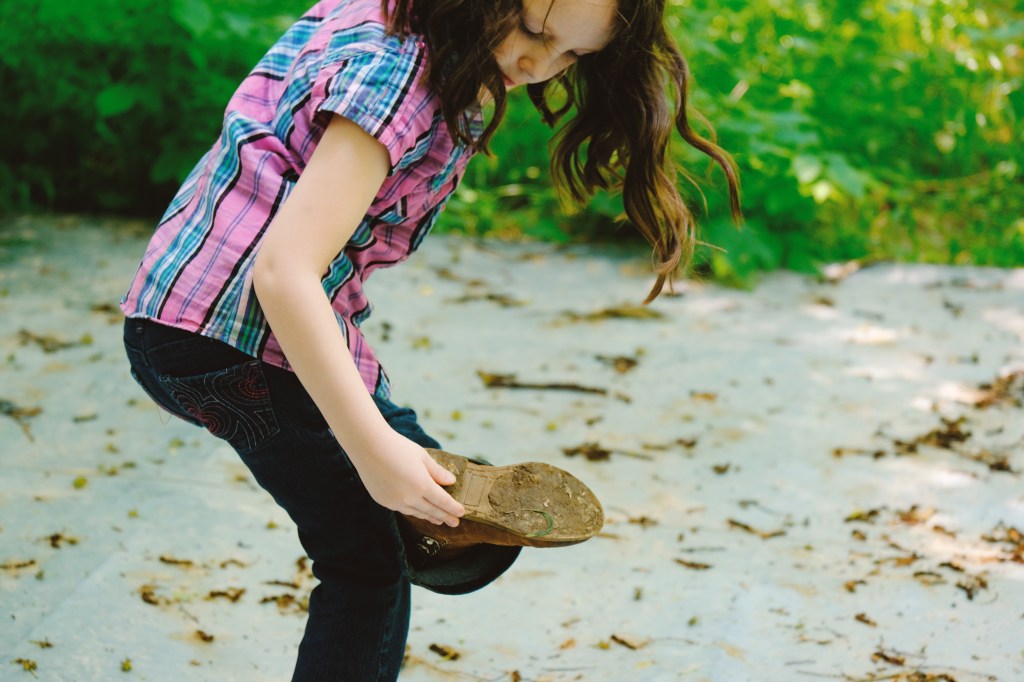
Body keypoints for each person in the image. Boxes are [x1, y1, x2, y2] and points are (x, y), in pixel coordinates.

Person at [120, 0, 741, 679]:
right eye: (536, 33)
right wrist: (375, 451)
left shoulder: (394, 24)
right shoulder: (401, 77)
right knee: (366, 565)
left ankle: (422, 499)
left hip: (188, 321)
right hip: (235, 339)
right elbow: (283, 272)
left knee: (384, 469)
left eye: (572, 56)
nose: (540, 66)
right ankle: (413, 509)